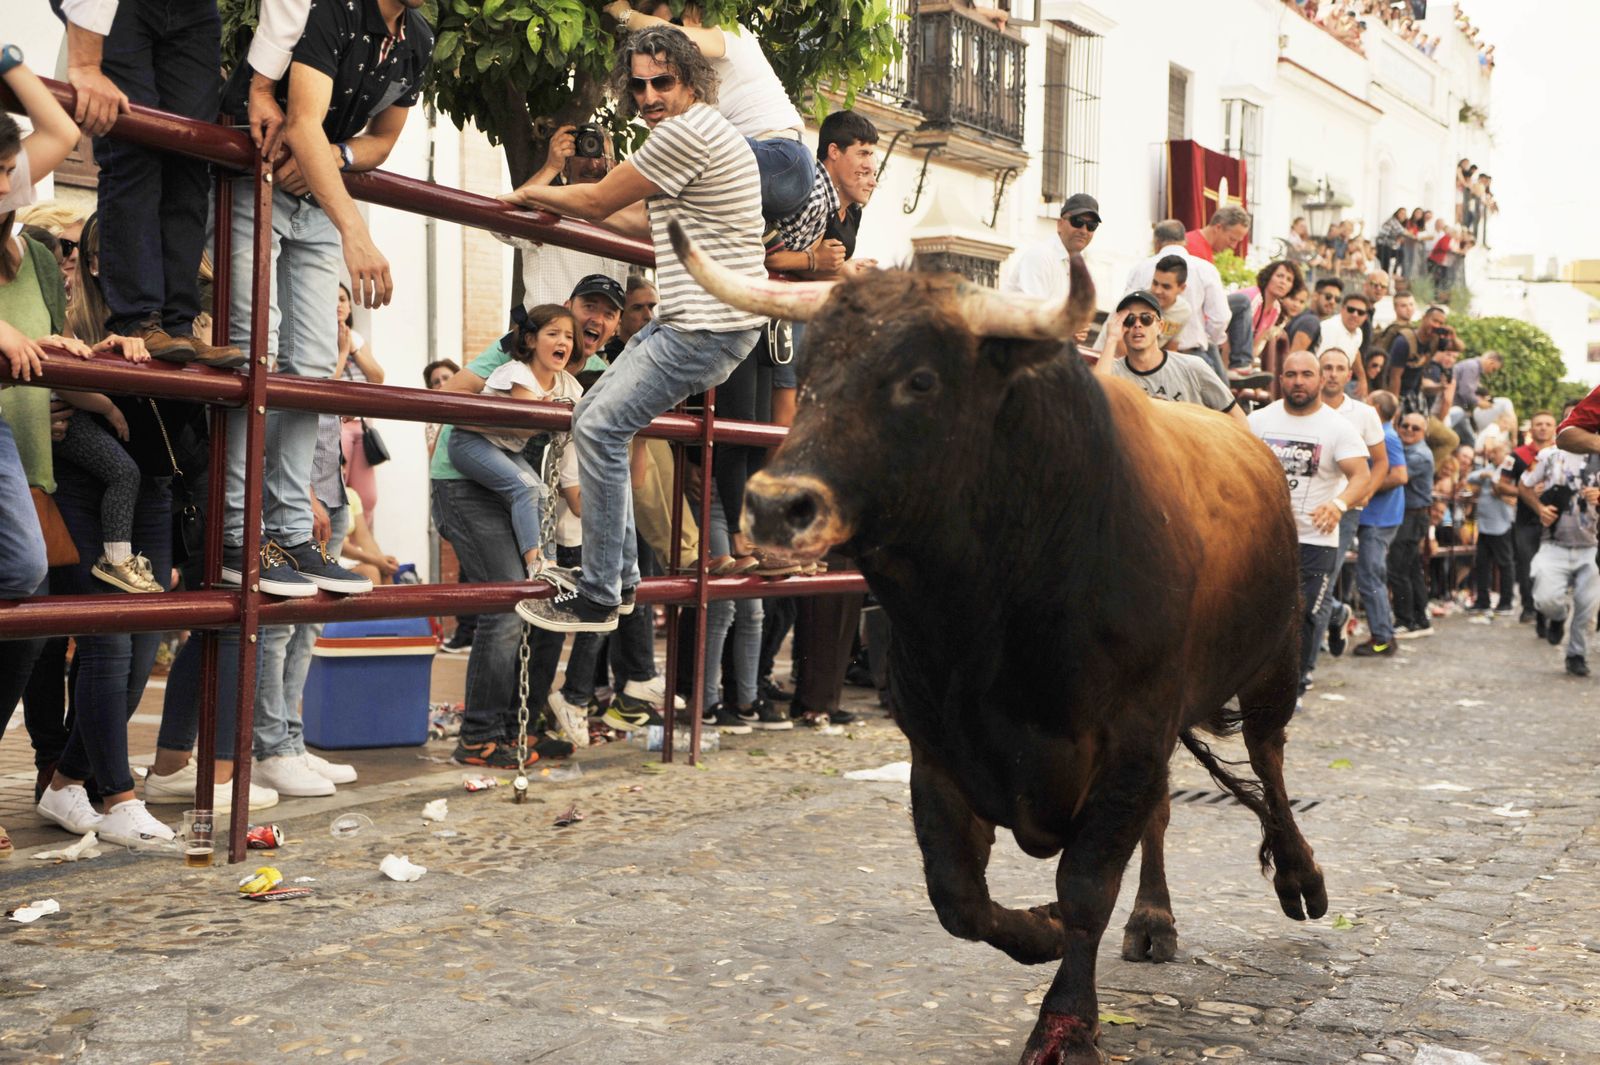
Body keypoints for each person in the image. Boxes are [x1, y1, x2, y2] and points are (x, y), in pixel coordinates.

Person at [507, 25, 767, 636]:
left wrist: (530, 192)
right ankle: (618, 579)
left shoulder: (685, 132)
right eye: (640, 85)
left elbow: (597, 204)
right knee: (592, 414)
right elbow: (632, 218)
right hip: (697, 320)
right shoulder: (706, 131)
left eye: (663, 82)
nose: (649, 96)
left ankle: (600, 593)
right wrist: (554, 200)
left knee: (597, 427)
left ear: (693, 81)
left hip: (706, 326)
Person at [213, 0, 433, 598]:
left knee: (311, 366)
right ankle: (235, 533)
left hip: (315, 186)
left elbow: (383, 140)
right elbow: (303, 121)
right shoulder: (336, 10)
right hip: (257, 169)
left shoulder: (418, 36)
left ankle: (289, 532)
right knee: (251, 348)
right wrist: (356, 232)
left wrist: (337, 158)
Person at [54, 0, 244, 366]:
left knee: (191, 155)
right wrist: (85, 64)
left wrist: (264, 89)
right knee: (133, 147)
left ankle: (178, 326)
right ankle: (138, 319)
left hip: (196, 10)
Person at [610, 1, 830, 256]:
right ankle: (762, 232)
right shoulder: (691, 83)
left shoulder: (730, 36)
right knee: (672, 194)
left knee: (683, 152)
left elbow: (670, 36)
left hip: (779, 160)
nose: (662, 47)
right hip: (775, 176)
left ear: (692, 12)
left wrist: (621, 12)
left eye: (673, 25)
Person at [1249, 351, 1371, 695]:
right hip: (1266, 538)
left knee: (1301, 616)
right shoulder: (1258, 421)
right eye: (1291, 374)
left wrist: (1339, 504)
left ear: (1319, 380)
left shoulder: (1337, 427)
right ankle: (1255, 683)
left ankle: (1294, 686)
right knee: (1261, 612)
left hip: (1315, 539)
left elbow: (1361, 475)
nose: (1298, 381)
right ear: (1280, 379)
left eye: (1306, 374)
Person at [447, 304, 582, 579]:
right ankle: (535, 563)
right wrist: (550, 409)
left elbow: (584, 409)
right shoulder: (518, 373)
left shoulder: (565, 383)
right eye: (553, 333)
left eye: (568, 336)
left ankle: (551, 564)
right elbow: (528, 419)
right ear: (531, 340)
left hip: (505, 446)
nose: (563, 342)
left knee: (543, 492)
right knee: (526, 488)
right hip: (471, 441)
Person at [1312, 348, 1388, 660]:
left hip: (1344, 510)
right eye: (1326, 367)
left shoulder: (1364, 414)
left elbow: (1381, 462)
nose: (1331, 373)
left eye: (1338, 368)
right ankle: (1335, 615)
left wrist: (1365, 490)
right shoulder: (1303, 408)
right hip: (1302, 505)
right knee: (1301, 581)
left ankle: (1306, 666)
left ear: (1348, 375)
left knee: (1323, 581)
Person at [1097, 290, 1244, 424]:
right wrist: (1111, 339)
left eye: (1146, 318)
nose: (1137, 325)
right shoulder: (1113, 373)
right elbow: (1094, 401)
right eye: (1129, 320)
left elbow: (1237, 418)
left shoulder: (1192, 367)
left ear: (1160, 326)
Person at [1519, 438, 1600, 677]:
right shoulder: (1548, 455)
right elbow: (1524, 485)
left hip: (1592, 547)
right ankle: (1558, 616)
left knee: (1587, 606)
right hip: (1553, 542)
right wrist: (1539, 508)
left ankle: (1577, 655)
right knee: (1545, 599)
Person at [1122, 220, 1229, 373]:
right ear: (1184, 242)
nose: (1158, 291)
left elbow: (1125, 313)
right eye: (1155, 284)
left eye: (1166, 286)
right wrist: (1207, 338)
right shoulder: (1205, 269)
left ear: (1156, 242)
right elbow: (1220, 317)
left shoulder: (1140, 268)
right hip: (1189, 354)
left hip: (1145, 357)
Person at [1352, 390, 1408, 658]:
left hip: (1379, 518)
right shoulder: (1381, 434)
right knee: (1371, 575)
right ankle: (1384, 635)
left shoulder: (1386, 436)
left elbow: (1399, 475)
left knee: (1370, 575)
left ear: (1373, 407)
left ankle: (1382, 638)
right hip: (1377, 517)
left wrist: (1365, 487)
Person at [1503, 411, 1559, 632]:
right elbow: (1500, 485)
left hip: (1555, 521)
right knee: (1526, 564)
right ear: (1531, 429)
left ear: (1555, 428)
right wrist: (1524, 490)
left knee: (1551, 568)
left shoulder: (1562, 454)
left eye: (1548, 424)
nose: (1543, 428)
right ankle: (1529, 607)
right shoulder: (1516, 456)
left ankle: (1549, 611)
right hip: (1526, 521)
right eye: (1538, 424)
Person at [335, 283, 385, 525]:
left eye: (343, 299)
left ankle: (360, 549)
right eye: (333, 299)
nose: (338, 305)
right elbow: (327, 384)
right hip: (335, 426)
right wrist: (342, 352)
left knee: (367, 497)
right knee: (337, 491)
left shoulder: (357, 338)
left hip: (360, 426)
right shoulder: (317, 339)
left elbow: (378, 378)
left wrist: (353, 348)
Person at [1388, 411, 1435, 638]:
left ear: (1424, 432)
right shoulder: (1406, 450)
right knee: (1411, 568)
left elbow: (1395, 474)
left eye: (1415, 428)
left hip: (1412, 516)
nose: (1408, 430)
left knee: (1398, 569)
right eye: (1405, 425)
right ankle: (1420, 618)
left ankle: (1406, 620)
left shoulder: (1419, 455)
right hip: (1409, 515)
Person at [1003, 192, 1100, 299]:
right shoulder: (1041, 256)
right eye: (1077, 221)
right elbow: (1034, 311)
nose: (1084, 230)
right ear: (1060, 224)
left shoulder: (1081, 269)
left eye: (1091, 225)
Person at [1465, 437, 1515, 615]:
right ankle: (1482, 600)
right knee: (1482, 563)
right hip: (1485, 524)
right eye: (1491, 451)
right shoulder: (1488, 469)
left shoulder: (1509, 469)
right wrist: (1482, 475)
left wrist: (1491, 478)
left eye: (1496, 451)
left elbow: (1503, 488)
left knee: (1504, 563)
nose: (1491, 454)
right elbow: (1470, 478)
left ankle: (1506, 601)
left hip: (1501, 523)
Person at [1287, 277, 1342, 356]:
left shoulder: (1305, 316)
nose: (1332, 302)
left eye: (1337, 299)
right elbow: (1293, 357)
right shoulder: (1311, 322)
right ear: (1315, 296)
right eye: (1328, 296)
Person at [1185, 205, 1251, 264]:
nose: (1234, 246)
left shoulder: (1199, 246)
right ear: (1218, 227)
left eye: (1238, 241)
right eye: (1232, 239)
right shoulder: (1195, 253)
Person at [1318, 293, 1370, 364]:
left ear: (1365, 317)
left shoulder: (1358, 333)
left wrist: (1362, 375)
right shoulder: (1329, 328)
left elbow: (1354, 355)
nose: (1355, 315)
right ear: (1342, 309)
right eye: (1351, 309)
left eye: (1360, 312)